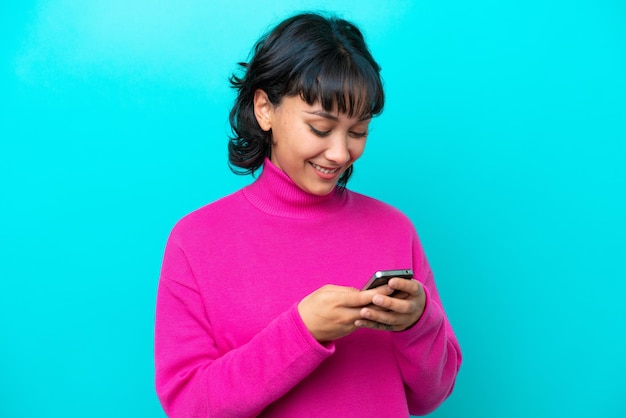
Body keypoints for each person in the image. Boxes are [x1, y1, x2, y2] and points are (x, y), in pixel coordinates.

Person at [155, 12, 461, 417]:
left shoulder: (394, 229)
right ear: (265, 109)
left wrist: (418, 321)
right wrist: (302, 333)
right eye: (320, 128)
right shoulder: (196, 240)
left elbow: (432, 395)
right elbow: (189, 406)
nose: (340, 153)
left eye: (357, 132)